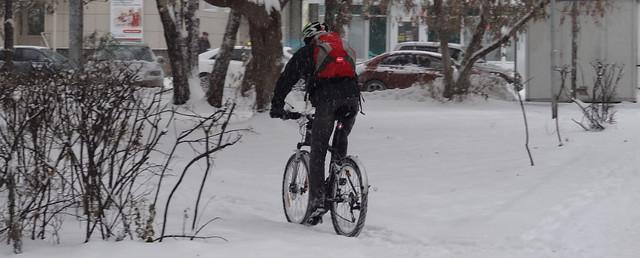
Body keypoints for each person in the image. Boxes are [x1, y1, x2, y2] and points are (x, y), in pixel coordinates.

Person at [270, 22, 361, 225]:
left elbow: (286, 79)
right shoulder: (342, 47)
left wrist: (277, 106)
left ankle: (318, 202)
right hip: (352, 100)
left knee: (318, 152)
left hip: (328, 101)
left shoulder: (308, 52)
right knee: (340, 140)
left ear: (308, 38)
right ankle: (341, 173)